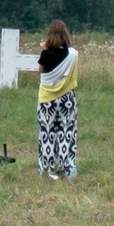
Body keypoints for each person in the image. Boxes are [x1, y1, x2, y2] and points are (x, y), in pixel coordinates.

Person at [34, 20, 78, 179]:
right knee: (67, 132)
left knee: (47, 132)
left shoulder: (46, 54)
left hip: (47, 99)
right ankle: (68, 168)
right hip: (67, 98)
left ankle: (46, 168)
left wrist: (45, 49)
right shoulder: (73, 54)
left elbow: (41, 72)